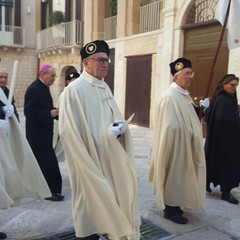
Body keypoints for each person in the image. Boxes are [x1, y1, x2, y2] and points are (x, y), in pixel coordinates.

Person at [58, 40, 140, 239]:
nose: (105, 64)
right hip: (89, 161)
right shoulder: (74, 90)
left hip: (109, 157)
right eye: (100, 60)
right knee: (90, 207)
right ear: (86, 63)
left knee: (109, 203)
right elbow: (69, 133)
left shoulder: (103, 87)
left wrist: (118, 129)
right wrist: (105, 135)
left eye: (107, 60)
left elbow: (109, 119)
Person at [148, 57, 206, 224]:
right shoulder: (170, 97)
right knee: (175, 177)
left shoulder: (183, 95)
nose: (190, 77)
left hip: (185, 145)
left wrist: (200, 111)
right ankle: (171, 209)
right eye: (186, 74)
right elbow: (170, 127)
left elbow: (188, 118)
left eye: (191, 73)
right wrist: (190, 131)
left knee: (182, 177)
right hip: (175, 147)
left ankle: (179, 205)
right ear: (175, 77)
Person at [0, 87, 51, 239]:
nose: (2, 80)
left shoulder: (4, 92)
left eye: (4, 77)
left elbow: (12, 118)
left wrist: (9, 113)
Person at [24, 64, 64, 202]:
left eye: (55, 75)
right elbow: (29, 113)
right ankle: (51, 191)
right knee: (47, 164)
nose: (54, 78)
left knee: (46, 163)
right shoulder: (34, 89)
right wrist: (49, 113)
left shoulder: (43, 88)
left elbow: (45, 108)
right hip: (37, 136)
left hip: (44, 134)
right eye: (52, 75)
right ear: (43, 75)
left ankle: (51, 190)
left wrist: (57, 112)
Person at [204, 74, 240, 204]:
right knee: (226, 166)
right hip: (223, 141)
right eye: (232, 85)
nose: (234, 88)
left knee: (218, 163)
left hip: (226, 140)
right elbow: (220, 120)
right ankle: (225, 193)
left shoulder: (228, 98)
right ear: (224, 84)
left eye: (236, 85)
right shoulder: (222, 100)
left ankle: (208, 184)